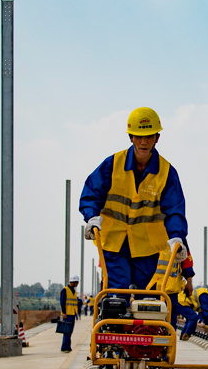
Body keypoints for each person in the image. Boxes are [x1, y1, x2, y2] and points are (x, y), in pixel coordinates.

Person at [80, 107, 189, 294]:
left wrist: (176, 237)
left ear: (157, 138)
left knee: (145, 298)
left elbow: (175, 210)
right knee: (118, 294)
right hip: (114, 243)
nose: (143, 142)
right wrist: (91, 217)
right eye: (138, 136)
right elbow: (91, 193)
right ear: (131, 137)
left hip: (147, 249)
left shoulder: (167, 173)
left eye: (149, 136)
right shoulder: (112, 164)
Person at [147, 246, 198, 340]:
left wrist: (189, 281)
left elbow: (186, 260)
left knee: (170, 321)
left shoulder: (179, 241)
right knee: (148, 319)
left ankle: (167, 345)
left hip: (169, 287)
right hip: (151, 285)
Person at [59, 275, 82, 353]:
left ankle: (68, 346)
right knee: (67, 331)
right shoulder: (65, 290)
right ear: (73, 282)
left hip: (73, 313)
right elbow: (62, 302)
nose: (77, 284)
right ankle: (65, 347)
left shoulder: (74, 291)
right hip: (67, 314)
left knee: (70, 331)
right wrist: (64, 313)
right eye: (77, 283)